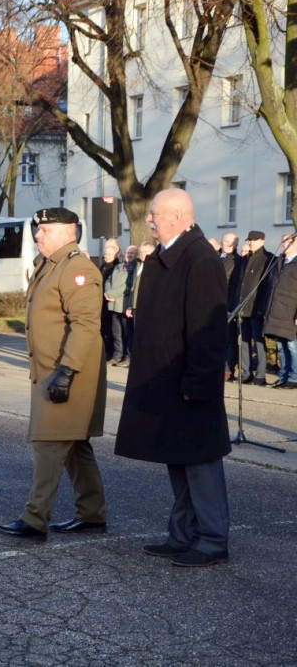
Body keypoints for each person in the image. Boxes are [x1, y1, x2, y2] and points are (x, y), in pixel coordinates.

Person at [115, 188, 231, 568]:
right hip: (167, 379)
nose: (148, 220)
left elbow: (208, 329)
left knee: (201, 461)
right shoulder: (169, 256)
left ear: (176, 217)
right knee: (178, 459)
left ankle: (212, 539)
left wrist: (198, 384)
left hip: (189, 382)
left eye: (154, 214)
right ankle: (182, 534)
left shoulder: (199, 259)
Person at [0, 208, 107, 541]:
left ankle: (34, 519)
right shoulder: (51, 265)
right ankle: (92, 513)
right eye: (38, 229)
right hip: (52, 371)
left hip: (68, 373)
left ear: (68, 232)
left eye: (45, 230)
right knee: (74, 445)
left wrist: (67, 371)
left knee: (48, 442)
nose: (38, 235)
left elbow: (86, 325)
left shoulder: (77, 269)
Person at [238, 231, 275, 386]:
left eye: (254, 240)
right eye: (250, 240)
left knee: (258, 342)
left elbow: (268, 286)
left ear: (263, 241)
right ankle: (246, 373)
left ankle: (260, 375)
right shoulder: (246, 259)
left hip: (256, 307)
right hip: (243, 307)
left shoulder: (268, 258)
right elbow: (240, 284)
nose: (251, 242)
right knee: (244, 341)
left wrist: (262, 308)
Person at [264, 234, 297, 389]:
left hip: (290, 311)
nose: (284, 244)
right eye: (282, 241)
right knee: (280, 346)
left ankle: (294, 378)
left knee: (292, 346)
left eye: (288, 241)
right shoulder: (278, 262)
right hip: (276, 311)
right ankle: (283, 376)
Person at [105, 245, 136, 366]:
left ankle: (128, 357)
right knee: (116, 333)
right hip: (113, 304)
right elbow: (108, 281)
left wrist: (112, 293)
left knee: (127, 333)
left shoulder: (134, 268)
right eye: (128, 252)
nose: (129, 254)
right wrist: (107, 292)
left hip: (123, 304)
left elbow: (128, 286)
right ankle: (117, 356)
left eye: (132, 253)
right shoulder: (118, 266)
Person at [221, 232, 242, 381]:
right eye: (227, 241)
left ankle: (228, 369)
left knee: (229, 340)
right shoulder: (214, 258)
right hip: (209, 304)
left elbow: (235, 287)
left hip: (226, 305)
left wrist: (231, 308)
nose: (229, 244)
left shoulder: (237, 261)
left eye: (232, 242)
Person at [99, 241, 120, 361]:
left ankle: (111, 353)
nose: (106, 256)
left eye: (109, 254)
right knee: (102, 329)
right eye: (105, 254)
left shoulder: (116, 267)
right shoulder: (103, 266)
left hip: (110, 302)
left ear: (115, 255)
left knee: (111, 330)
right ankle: (105, 351)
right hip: (101, 303)